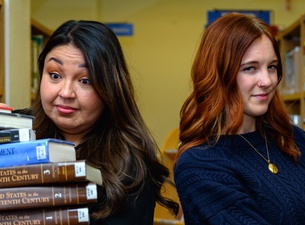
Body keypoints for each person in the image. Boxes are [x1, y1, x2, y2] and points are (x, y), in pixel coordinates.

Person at [173, 13, 305, 225]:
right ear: (218, 75)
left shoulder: (287, 137)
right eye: (250, 68)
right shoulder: (199, 165)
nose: (267, 80)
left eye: (271, 66)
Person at [2, 20, 179, 224]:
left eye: (85, 81)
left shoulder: (132, 168)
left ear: (110, 88)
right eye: (55, 75)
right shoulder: (15, 130)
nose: (66, 92)